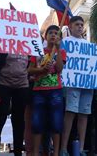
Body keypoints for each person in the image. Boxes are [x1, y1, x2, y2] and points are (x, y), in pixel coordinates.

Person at [29, 25, 65, 156]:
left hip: (56, 91)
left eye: (56, 33)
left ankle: (55, 153)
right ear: (46, 36)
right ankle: (35, 152)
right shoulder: (38, 51)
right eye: (51, 33)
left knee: (56, 123)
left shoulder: (61, 52)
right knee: (37, 123)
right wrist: (41, 70)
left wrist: (59, 50)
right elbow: (29, 69)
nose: (53, 35)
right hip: (39, 90)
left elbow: (60, 69)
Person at [60, 16, 93, 156]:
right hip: (72, 83)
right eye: (77, 24)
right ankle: (63, 148)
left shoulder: (88, 44)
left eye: (81, 24)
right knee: (70, 113)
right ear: (70, 26)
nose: (80, 27)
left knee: (84, 114)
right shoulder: (65, 42)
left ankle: (80, 148)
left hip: (87, 84)